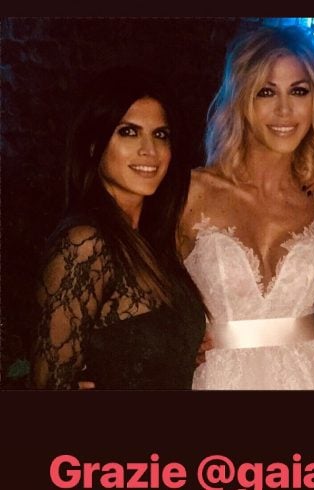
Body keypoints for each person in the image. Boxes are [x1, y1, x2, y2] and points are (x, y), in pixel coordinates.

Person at [178, 25, 314, 389]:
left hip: (311, 379)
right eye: (267, 92)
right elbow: (139, 296)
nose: (285, 109)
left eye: (298, 91)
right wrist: (178, 339)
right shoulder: (190, 193)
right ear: (241, 100)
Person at [32, 67, 206, 389]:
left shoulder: (157, 240)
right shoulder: (85, 243)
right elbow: (49, 383)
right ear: (93, 145)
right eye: (128, 132)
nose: (149, 150)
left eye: (160, 135)